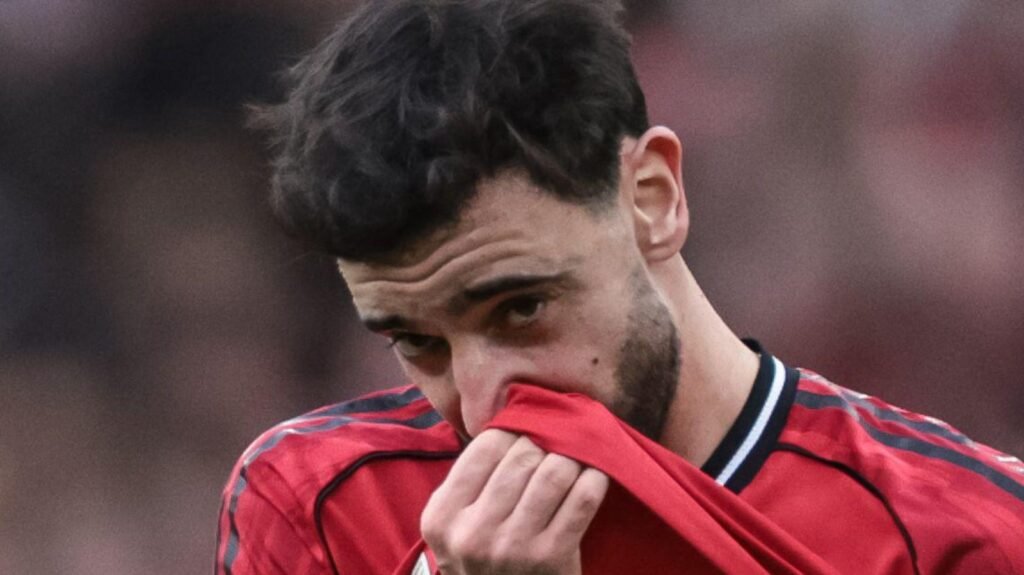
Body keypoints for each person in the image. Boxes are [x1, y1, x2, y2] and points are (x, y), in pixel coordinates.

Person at [215, 1, 1024, 573]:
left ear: (652, 199)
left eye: (521, 308)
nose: (483, 405)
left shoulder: (968, 538)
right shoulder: (315, 506)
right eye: (418, 343)